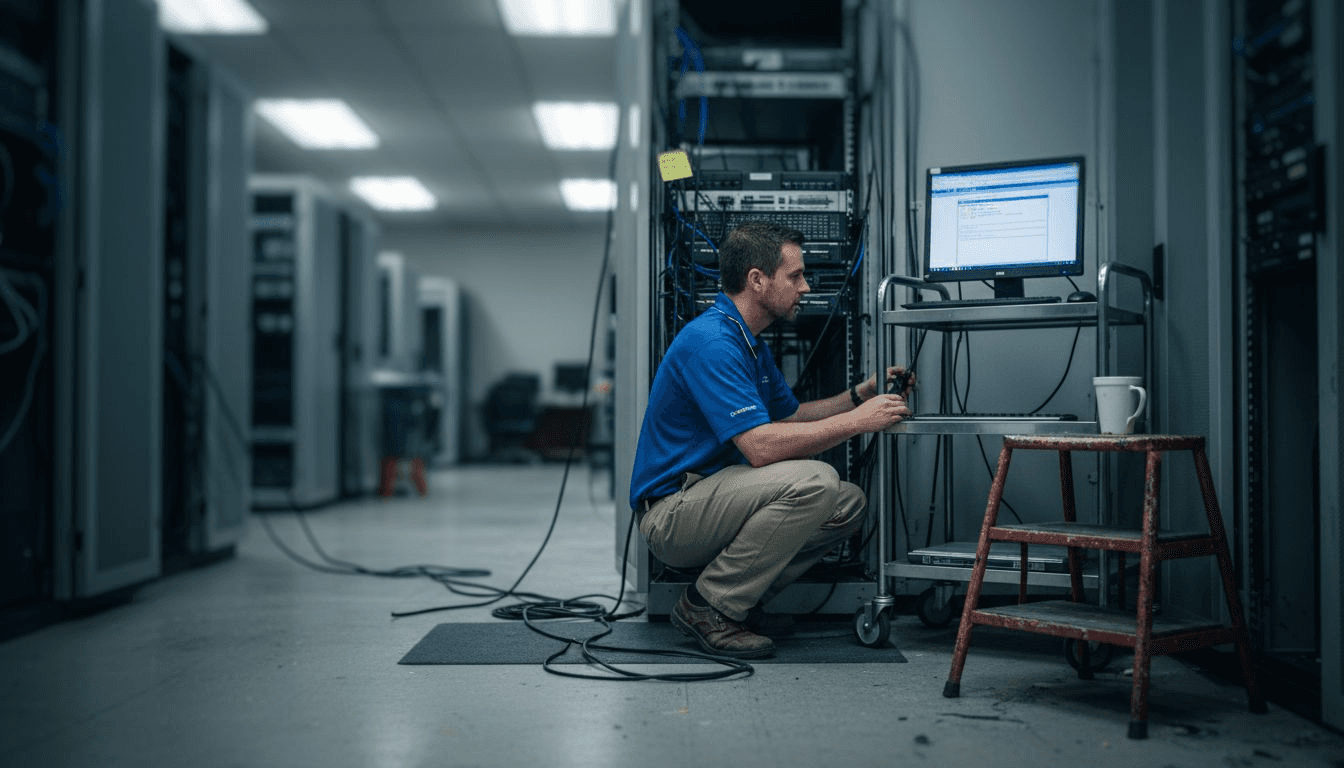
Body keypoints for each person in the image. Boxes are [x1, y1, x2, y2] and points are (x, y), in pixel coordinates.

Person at [629, 219, 913, 659]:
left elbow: (792, 416)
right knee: (816, 481)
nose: (805, 287)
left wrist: (861, 394)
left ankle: (740, 603)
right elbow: (760, 447)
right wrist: (858, 421)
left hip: (709, 498)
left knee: (847, 503)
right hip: (672, 513)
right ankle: (708, 606)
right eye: (795, 276)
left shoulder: (749, 344)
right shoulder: (713, 343)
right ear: (757, 280)